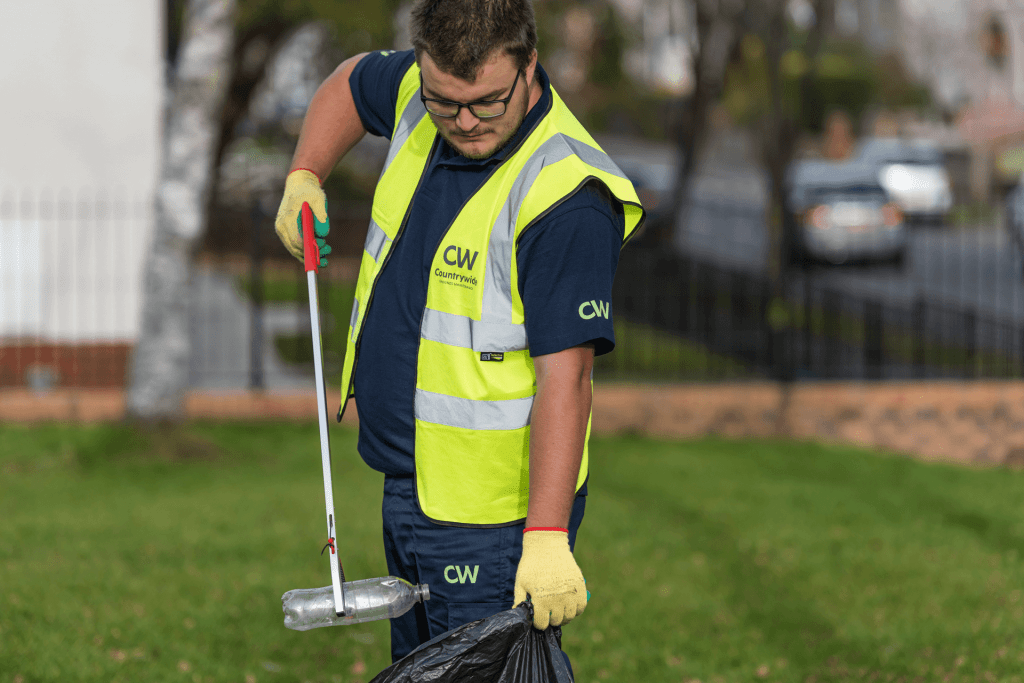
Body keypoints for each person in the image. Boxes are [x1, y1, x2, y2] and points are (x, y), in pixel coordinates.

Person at [273, 0, 644, 669]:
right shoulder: (421, 92)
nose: (465, 122)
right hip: (409, 489)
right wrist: (306, 174)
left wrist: (548, 535)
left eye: (486, 102)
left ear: (529, 64)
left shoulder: (566, 197)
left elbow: (569, 378)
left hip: (491, 525)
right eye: (446, 103)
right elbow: (351, 84)